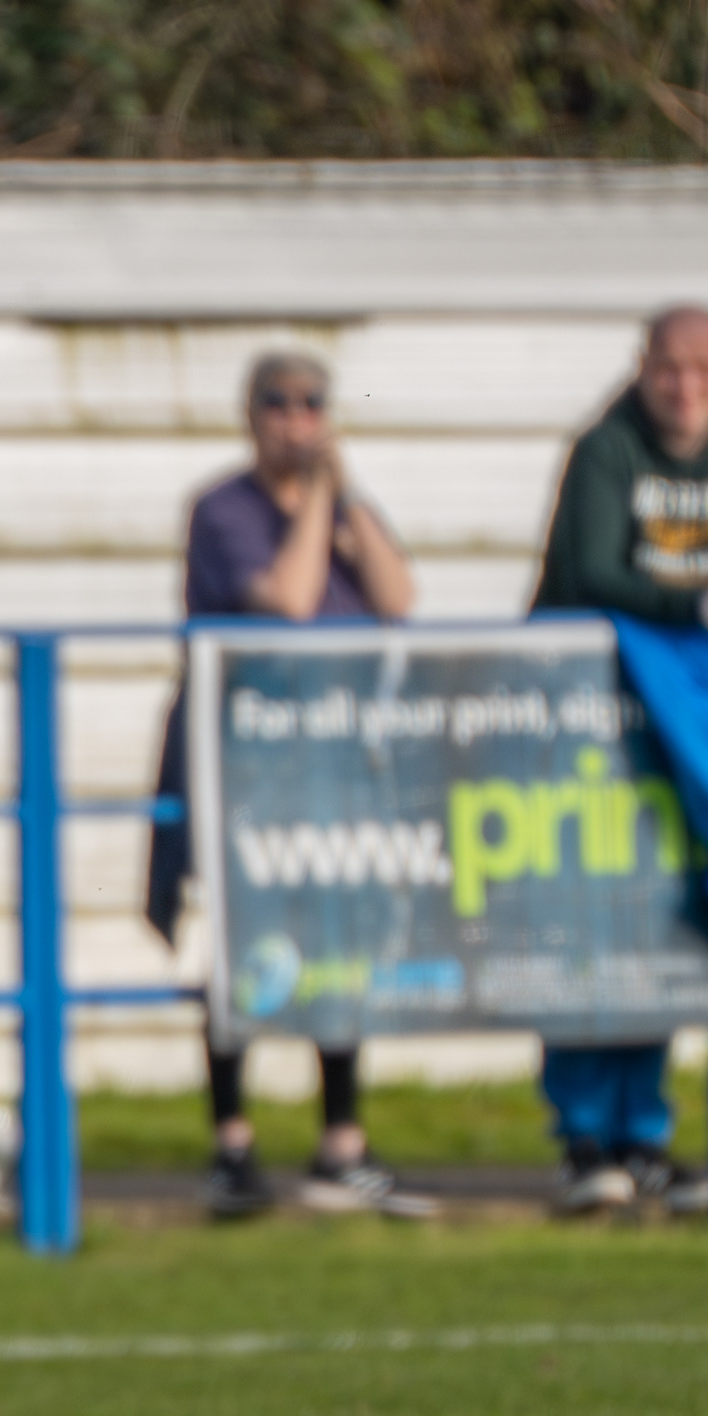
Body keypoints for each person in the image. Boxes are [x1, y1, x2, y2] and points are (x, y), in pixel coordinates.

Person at [525, 303, 708, 1218]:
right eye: (669, 369)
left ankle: (643, 1137)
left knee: (661, 919)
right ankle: (582, 1137)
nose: (686, 389)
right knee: (586, 921)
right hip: (587, 725)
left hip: (688, 732)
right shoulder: (605, 450)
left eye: (703, 370)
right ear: (642, 366)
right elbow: (594, 574)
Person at [148, 348, 435, 1220]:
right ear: (251, 417)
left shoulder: (344, 506)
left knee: (337, 947)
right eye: (278, 405)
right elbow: (292, 601)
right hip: (244, 764)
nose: (296, 421)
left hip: (331, 767)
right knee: (243, 949)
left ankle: (341, 1140)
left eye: (312, 405)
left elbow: (398, 597)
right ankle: (232, 1143)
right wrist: (316, 504)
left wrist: (346, 501)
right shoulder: (222, 511)